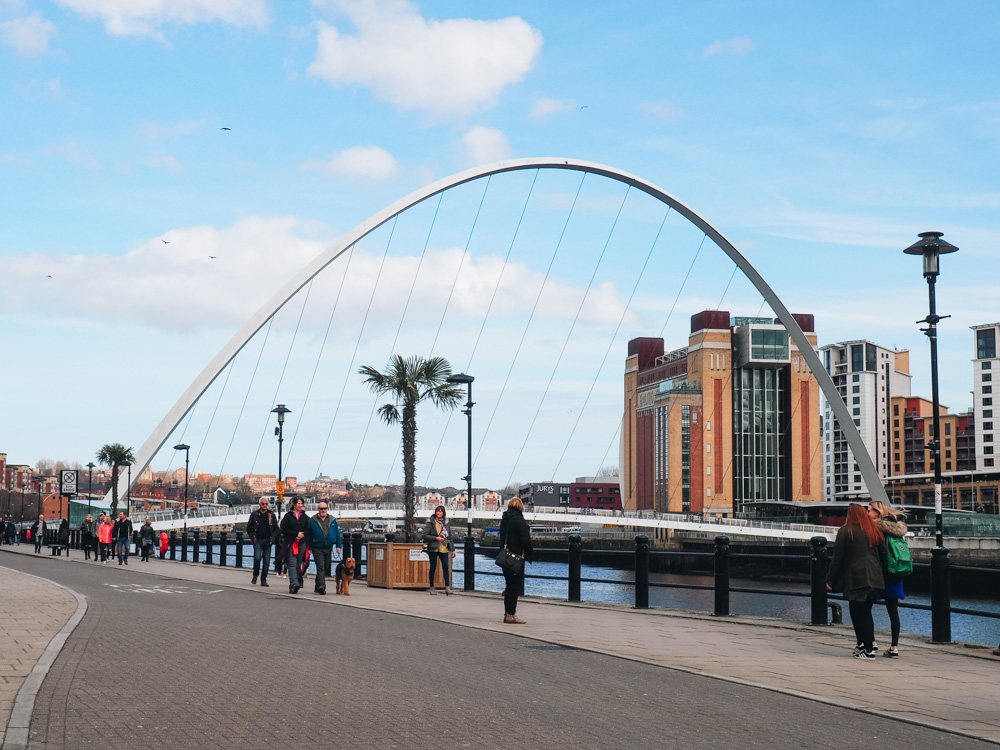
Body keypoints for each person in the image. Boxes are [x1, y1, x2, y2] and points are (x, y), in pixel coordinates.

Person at [827, 503, 886, 659]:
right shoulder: (874, 531)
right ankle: (867, 646)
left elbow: (837, 559)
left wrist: (830, 580)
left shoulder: (846, 531)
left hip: (856, 578)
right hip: (875, 578)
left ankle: (867, 649)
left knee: (857, 614)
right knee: (866, 613)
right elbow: (884, 556)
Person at [870, 500, 908, 658]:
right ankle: (894, 646)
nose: (867, 513)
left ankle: (871, 642)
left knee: (865, 607)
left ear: (877, 513)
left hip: (880, 573)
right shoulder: (897, 531)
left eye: (870, 510)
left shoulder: (877, 529)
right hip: (895, 572)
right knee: (893, 611)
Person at [499, 497, 533, 624]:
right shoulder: (518, 520)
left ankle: (507, 613)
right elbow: (525, 539)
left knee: (509, 585)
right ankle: (511, 614)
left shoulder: (505, 519)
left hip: (505, 556)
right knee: (515, 586)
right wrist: (530, 553)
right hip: (516, 557)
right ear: (520, 506)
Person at [307, 502, 342, 595]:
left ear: (327, 509)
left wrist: (338, 546)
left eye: (325, 508)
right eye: (321, 509)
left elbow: (337, 534)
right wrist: (309, 547)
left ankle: (317, 586)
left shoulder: (332, 520)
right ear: (318, 509)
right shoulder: (312, 521)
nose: (323, 510)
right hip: (317, 547)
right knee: (321, 567)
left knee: (325, 567)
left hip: (328, 547)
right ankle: (322, 586)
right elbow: (308, 535)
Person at [421, 505, 455, 595]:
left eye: (441, 511)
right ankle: (432, 587)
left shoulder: (446, 524)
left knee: (446, 567)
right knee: (433, 567)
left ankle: (447, 587)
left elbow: (450, 538)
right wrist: (436, 538)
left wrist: (453, 550)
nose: (439, 513)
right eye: (438, 511)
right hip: (433, 548)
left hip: (444, 548)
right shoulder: (430, 523)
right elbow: (424, 535)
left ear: (443, 513)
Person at [279, 497, 310, 594]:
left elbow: (309, 529)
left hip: (301, 543)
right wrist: (296, 534)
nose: (300, 505)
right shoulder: (288, 516)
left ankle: (294, 584)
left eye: (301, 503)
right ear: (294, 504)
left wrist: (302, 534)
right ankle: (294, 583)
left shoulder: (305, 517)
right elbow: (284, 529)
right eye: (298, 503)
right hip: (291, 542)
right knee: (292, 563)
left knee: (298, 563)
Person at [246, 497, 279, 587]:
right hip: (258, 540)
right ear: (260, 505)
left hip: (268, 541)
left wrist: (274, 537)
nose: (265, 506)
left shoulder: (271, 515)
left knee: (266, 561)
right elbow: (249, 528)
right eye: (263, 504)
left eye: (266, 504)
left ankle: (263, 579)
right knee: (257, 558)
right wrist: (252, 537)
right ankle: (255, 575)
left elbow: (276, 528)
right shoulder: (255, 514)